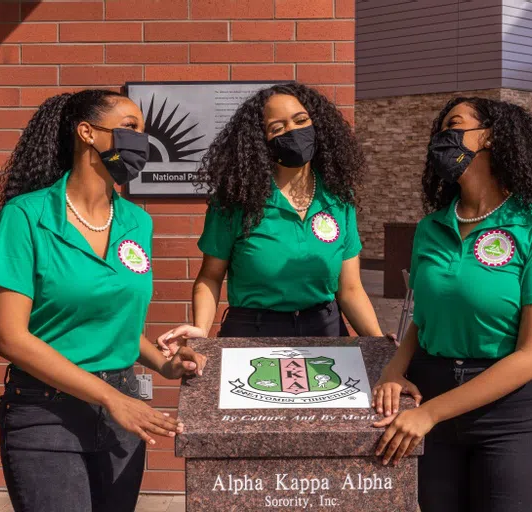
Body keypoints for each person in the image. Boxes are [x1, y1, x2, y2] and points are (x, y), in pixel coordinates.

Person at [0, 89, 207, 512]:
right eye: (130, 128)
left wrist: (166, 363)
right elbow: (10, 338)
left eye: (143, 130)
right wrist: (110, 398)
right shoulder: (26, 215)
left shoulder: (136, 221)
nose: (141, 140)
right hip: (46, 413)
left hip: (122, 413)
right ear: (87, 132)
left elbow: (114, 326)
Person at [372, 97, 532, 512]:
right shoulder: (431, 227)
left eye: (455, 125)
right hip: (429, 392)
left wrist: (429, 415)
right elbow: (424, 318)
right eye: (440, 130)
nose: (441, 139)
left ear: (492, 136)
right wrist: (394, 368)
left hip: (509, 413)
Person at [157, 82, 382, 351]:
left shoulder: (338, 197)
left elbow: (350, 289)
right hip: (252, 332)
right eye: (277, 128)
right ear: (260, 141)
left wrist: (381, 345)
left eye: (300, 120)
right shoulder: (236, 201)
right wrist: (201, 331)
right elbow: (211, 276)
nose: (293, 132)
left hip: (326, 331)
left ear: (318, 123)